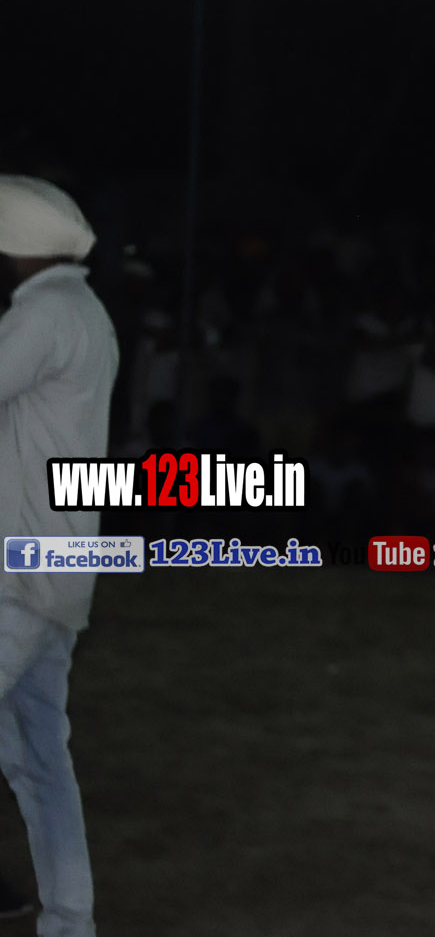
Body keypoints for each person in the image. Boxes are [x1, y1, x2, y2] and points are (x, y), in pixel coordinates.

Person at [0, 175, 115, 937]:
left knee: (40, 763)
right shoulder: (85, 311)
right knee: (42, 765)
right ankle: (69, 922)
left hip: (20, 573)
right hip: (58, 570)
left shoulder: (43, 315)